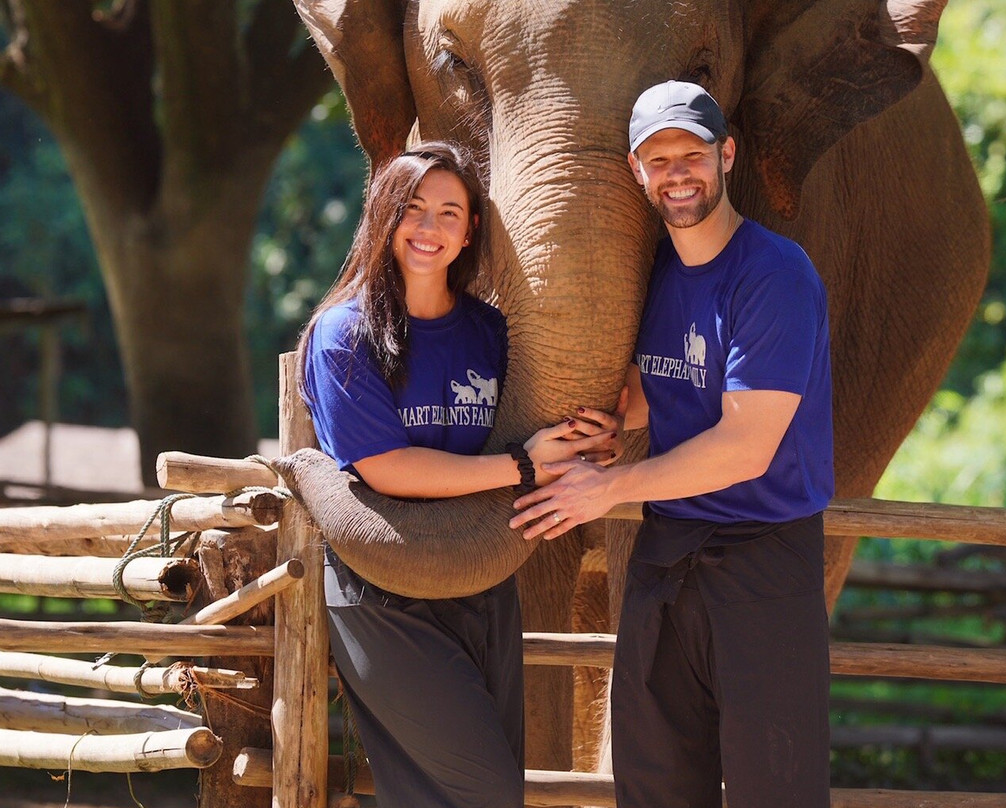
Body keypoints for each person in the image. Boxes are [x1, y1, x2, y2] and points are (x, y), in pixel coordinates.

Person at [510, 81, 834, 808]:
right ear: (636, 171)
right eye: (659, 160)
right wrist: (609, 425)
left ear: (726, 154)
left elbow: (747, 446)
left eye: (692, 154)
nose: (677, 173)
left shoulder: (775, 274)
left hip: (764, 564)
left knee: (773, 790)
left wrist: (610, 487)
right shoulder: (657, 271)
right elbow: (660, 384)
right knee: (654, 785)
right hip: (666, 556)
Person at [297, 142, 617, 808]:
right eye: (413, 209)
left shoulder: (491, 332)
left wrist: (591, 438)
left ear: (471, 229)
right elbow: (387, 468)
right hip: (382, 590)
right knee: (486, 791)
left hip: (482, 583)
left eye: (450, 212)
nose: (429, 228)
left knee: (443, 795)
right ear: (383, 216)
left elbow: (538, 420)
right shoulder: (343, 334)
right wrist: (523, 464)